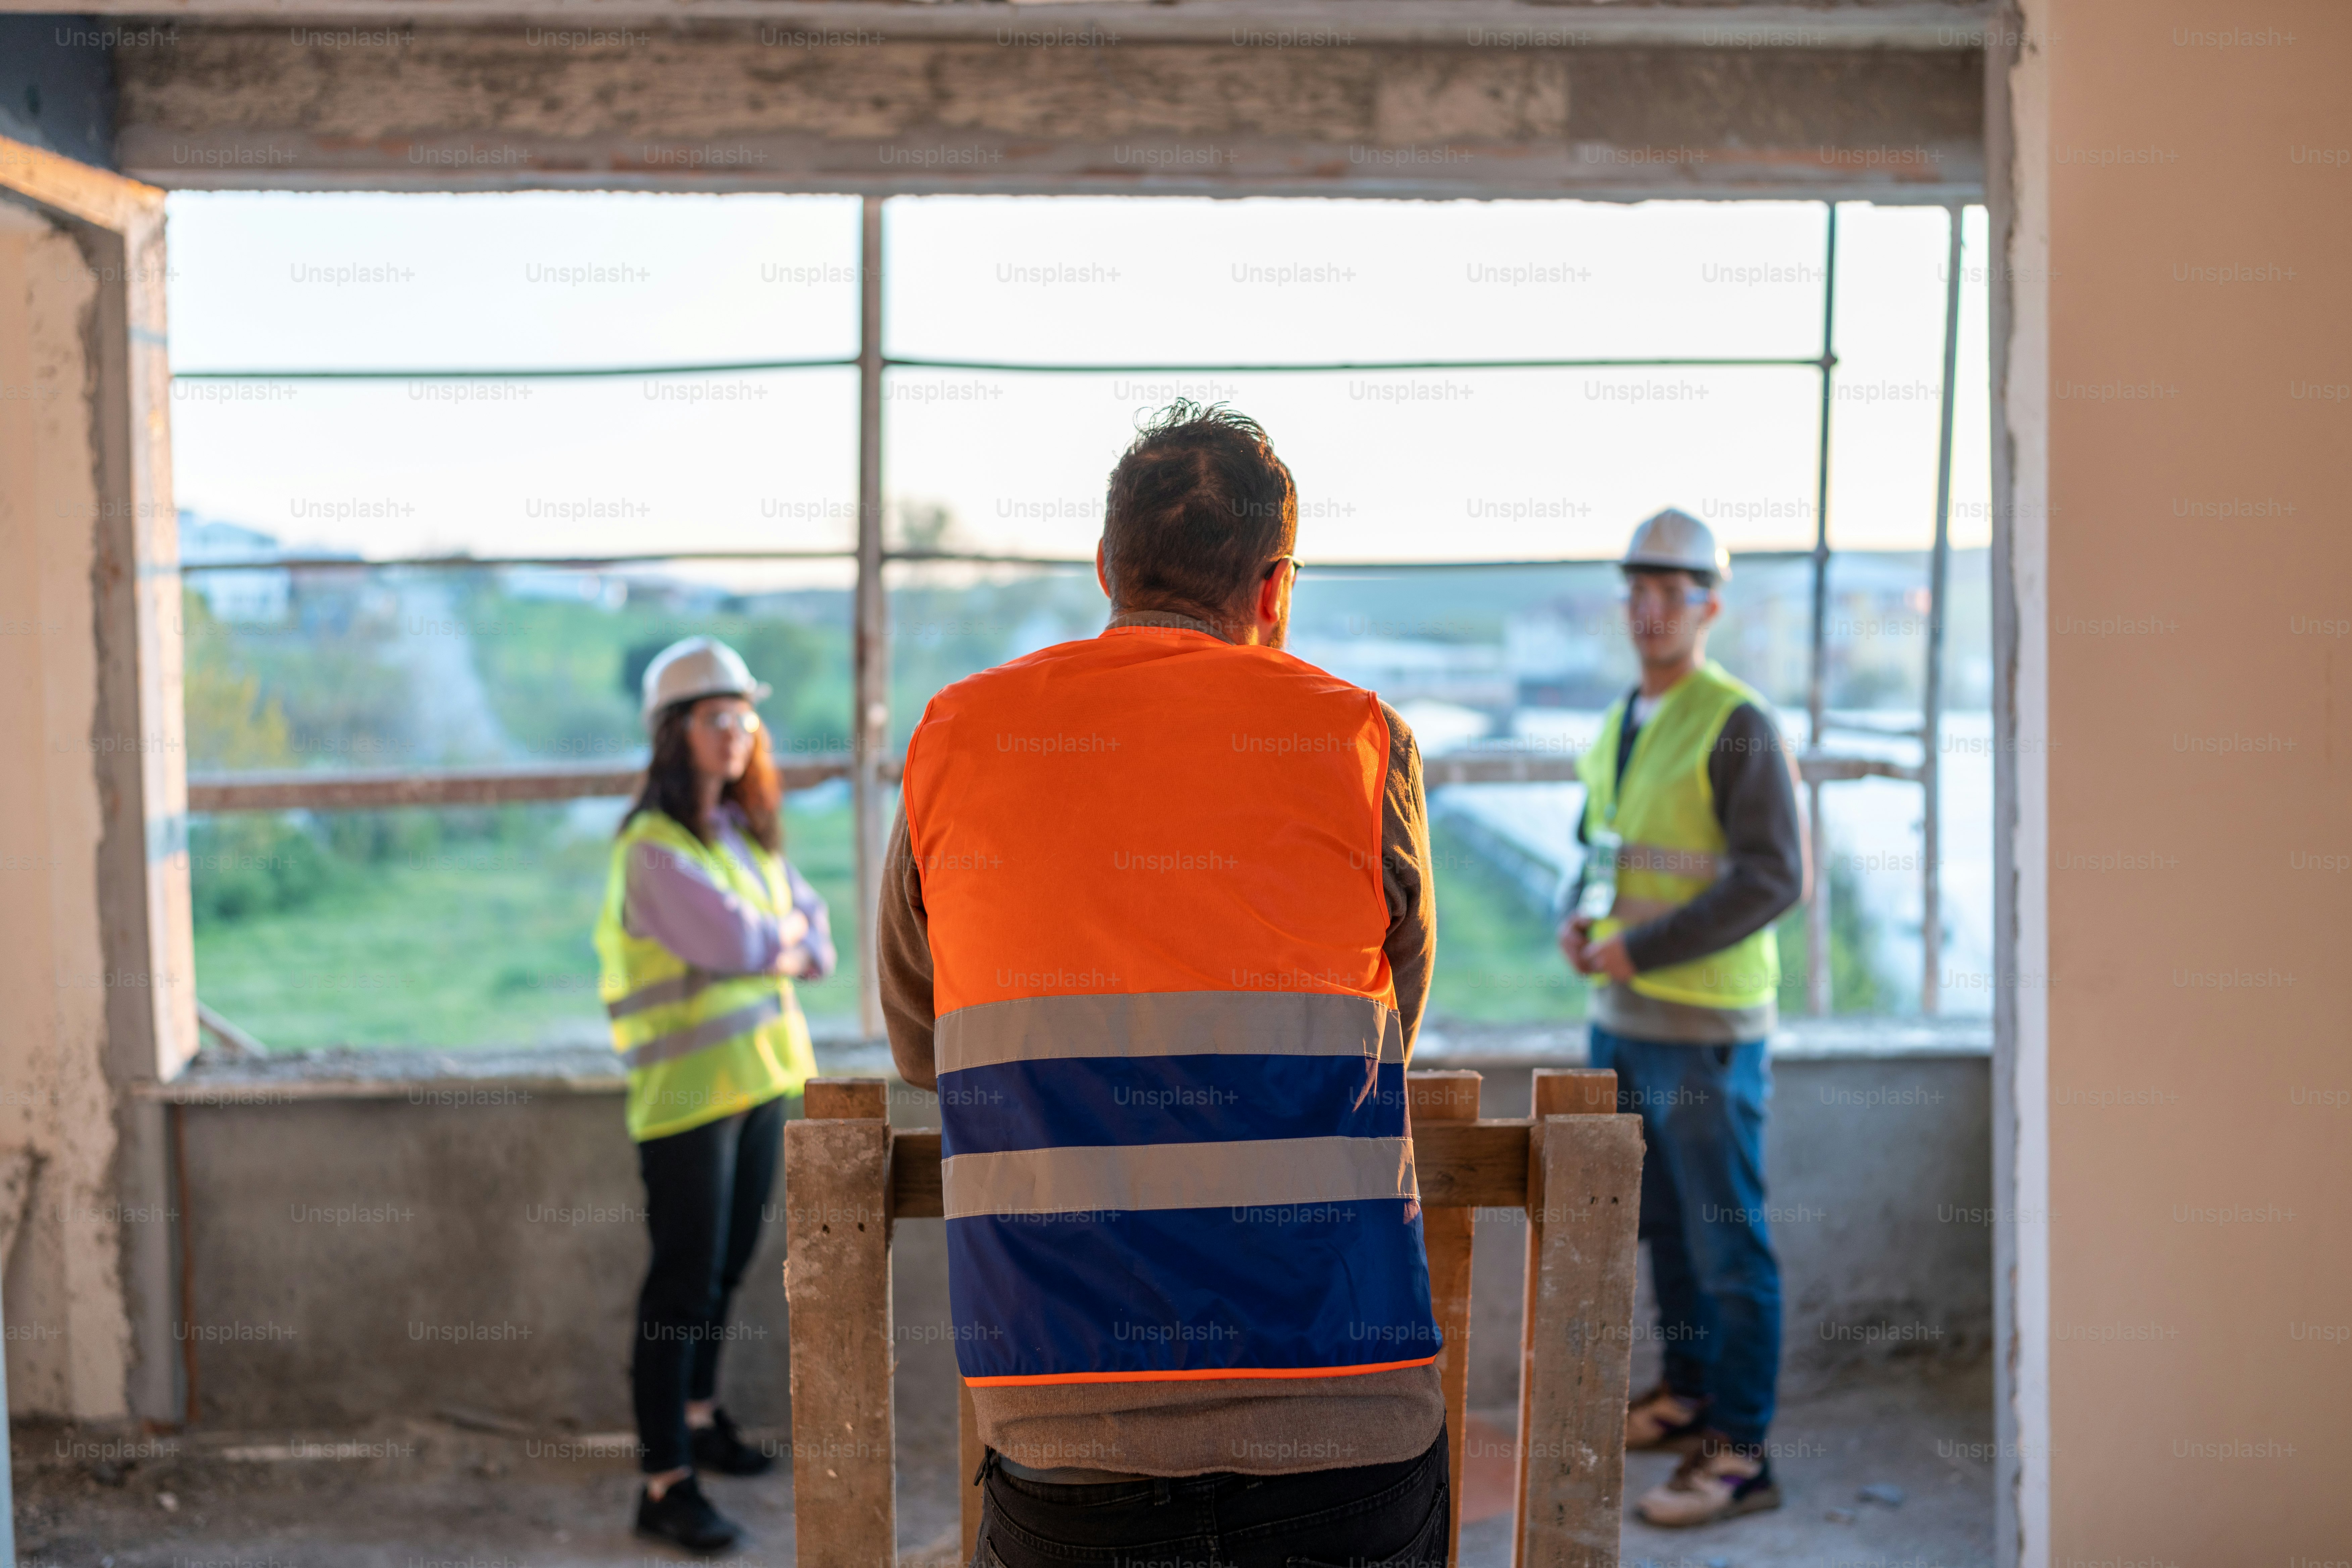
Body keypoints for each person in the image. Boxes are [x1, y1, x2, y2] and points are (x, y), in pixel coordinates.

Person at [878, 403, 1449, 1568]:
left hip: (1064, 1426)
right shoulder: (1359, 740)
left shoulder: (959, 736)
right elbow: (1392, 1017)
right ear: (1275, 588)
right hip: (1344, 1411)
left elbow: (923, 1042)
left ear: (1106, 566)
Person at [1559, 508, 1808, 1529]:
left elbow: (1775, 877)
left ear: (1710, 606)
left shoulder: (1736, 721)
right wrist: (1578, 917)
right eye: (1638, 591)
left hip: (1704, 1031)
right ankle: (1689, 1395)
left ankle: (1742, 1454)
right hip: (1623, 1020)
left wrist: (1644, 948)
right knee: (1661, 1228)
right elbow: (1601, 845)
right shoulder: (1624, 719)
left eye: (1672, 592)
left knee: (1727, 1244)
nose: (1650, 609)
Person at [593, 635, 834, 1554]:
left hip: (761, 1082)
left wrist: (780, 940)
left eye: (745, 716)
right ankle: (664, 1483)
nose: (737, 732)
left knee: (727, 1269)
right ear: (673, 732)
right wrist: (780, 941)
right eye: (716, 716)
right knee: (682, 1284)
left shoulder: (738, 835)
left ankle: (699, 1420)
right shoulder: (651, 852)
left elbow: (815, 936)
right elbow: (740, 944)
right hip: (688, 1100)